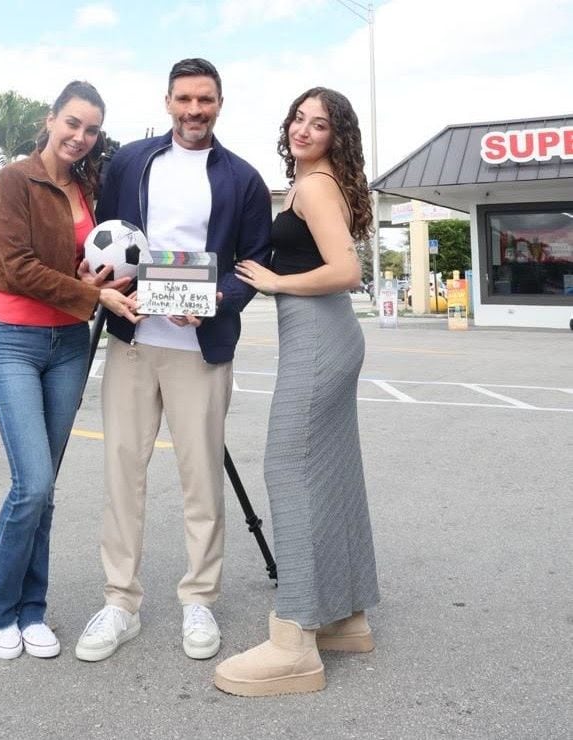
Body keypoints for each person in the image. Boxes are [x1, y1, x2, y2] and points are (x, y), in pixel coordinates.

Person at [75, 58, 272, 663]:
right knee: (121, 473)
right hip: (133, 342)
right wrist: (96, 277)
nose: (194, 110)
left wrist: (216, 300)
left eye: (205, 100)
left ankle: (199, 600)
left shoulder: (244, 179)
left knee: (200, 480)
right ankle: (119, 601)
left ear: (219, 102)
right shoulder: (131, 161)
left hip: (201, 350)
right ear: (167, 101)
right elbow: (106, 240)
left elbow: (253, 266)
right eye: (184, 99)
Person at [213, 87, 381, 695]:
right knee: (331, 472)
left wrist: (275, 280)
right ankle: (345, 616)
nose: (304, 130)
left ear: (338, 136)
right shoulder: (320, 183)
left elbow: (347, 270)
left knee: (286, 467)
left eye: (320, 123)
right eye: (298, 118)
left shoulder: (314, 187)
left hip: (318, 336)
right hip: (330, 335)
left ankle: (295, 641)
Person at [0, 80, 139, 660]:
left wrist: (95, 283)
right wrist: (92, 295)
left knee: (45, 492)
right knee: (33, 484)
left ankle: (32, 610)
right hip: (14, 341)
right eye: (72, 123)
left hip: (69, 344)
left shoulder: (88, 186)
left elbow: (85, 260)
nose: (80, 136)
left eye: (91, 129)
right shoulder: (14, 179)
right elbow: (17, 266)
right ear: (51, 120)